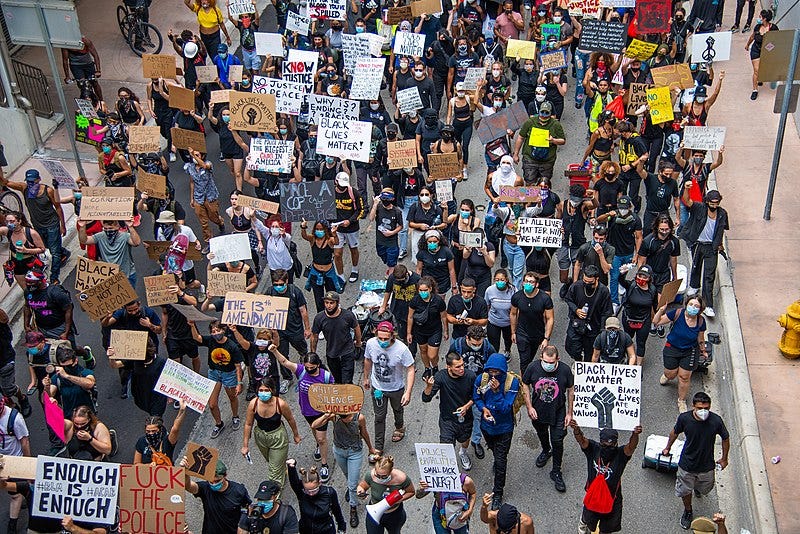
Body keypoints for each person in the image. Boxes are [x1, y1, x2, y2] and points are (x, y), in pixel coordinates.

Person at [663, 392, 730, 529]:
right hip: (687, 465)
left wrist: (724, 459)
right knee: (685, 491)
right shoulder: (684, 419)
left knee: (706, 487)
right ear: (693, 406)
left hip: (707, 466)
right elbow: (674, 433)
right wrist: (667, 448)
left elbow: (725, 438)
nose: (703, 411)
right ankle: (688, 511)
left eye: (706, 408)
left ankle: (698, 488)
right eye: (700, 408)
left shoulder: (716, 421)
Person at [272, 349, 334, 482]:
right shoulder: (301, 371)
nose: (309, 370)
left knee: (322, 438)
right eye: (307, 367)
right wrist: (275, 351)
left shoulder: (326, 377)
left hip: (321, 412)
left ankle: (324, 464)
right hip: (306, 411)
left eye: (312, 368)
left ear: (318, 365)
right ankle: (318, 445)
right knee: (314, 429)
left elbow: (334, 394)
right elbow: (284, 362)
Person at [571, 423, 642, 534]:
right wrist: (576, 429)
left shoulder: (621, 454)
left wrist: (635, 434)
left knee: (607, 529)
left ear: (616, 443)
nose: (608, 448)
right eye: (604, 445)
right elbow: (581, 441)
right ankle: (583, 526)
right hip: (593, 496)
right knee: (588, 520)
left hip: (612, 499)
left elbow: (631, 447)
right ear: (600, 443)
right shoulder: (593, 449)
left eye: (611, 445)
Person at [522, 345, 574, 493]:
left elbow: (571, 390)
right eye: (546, 361)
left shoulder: (564, 370)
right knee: (542, 433)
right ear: (541, 358)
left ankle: (556, 471)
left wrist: (570, 413)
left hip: (558, 411)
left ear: (557, 359)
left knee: (557, 440)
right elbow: (525, 384)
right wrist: (529, 406)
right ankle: (546, 450)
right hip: (538, 411)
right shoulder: (533, 367)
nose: (548, 365)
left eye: (551, 362)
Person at [313, 410, 377, 528]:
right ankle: (351, 488)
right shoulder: (335, 416)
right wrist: (326, 416)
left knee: (352, 483)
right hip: (339, 450)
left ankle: (353, 507)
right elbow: (314, 425)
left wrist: (370, 448)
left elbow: (364, 432)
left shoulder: (359, 418)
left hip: (354, 452)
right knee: (348, 475)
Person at [1, 169, 66, 283]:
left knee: (54, 253)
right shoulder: (24, 188)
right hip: (38, 226)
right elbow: (5, 182)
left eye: (33, 181)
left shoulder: (48, 191)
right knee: (47, 246)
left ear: (39, 180)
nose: (31, 184)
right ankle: (63, 252)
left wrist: (62, 225)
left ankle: (54, 278)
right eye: (29, 181)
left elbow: (58, 207)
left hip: (52, 224)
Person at [473, 353, 520, 510]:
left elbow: (506, 408)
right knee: (494, 450)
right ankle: (495, 456)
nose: (493, 375)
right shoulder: (482, 379)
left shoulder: (511, 383)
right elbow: (477, 397)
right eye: (491, 371)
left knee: (501, 460)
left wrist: (497, 392)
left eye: (497, 372)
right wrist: (483, 408)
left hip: (504, 428)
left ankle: (498, 492)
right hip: (487, 427)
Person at [363, 321, 415, 458]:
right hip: (378, 388)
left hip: (396, 389)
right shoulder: (370, 344)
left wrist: (408, 392)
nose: (382, 341)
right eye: (380, 338)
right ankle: (378, 447)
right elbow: (368, 360)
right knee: (379, 417)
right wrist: (366, 377)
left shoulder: (402, 349)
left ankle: (399, 427)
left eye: (386, 338)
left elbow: (410, 369)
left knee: (398, 409)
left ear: (393, 335)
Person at [242, 378, 302, 489]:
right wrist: (245, 445)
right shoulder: (253, 404)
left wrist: (296, 435)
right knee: (271, 461)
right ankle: (283, 468)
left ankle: (274, 495)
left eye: (266, 390)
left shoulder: (280, 404)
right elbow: (248, 424)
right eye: (261, 390)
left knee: (274, 472)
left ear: (272, 390)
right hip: (261, 437)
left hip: (278, 437)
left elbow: (290, 419)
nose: (263, 393)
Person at [189, 320, 244, 438]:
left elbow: (238, 366)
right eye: (213, 331)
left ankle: (235, 416)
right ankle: (219, 423)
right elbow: (197, 338)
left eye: (217, 330)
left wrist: (239, 382)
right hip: (214, 373)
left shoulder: (232, 346)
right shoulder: (210, 341)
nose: (215, 333)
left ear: (223, 330)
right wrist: (192, 326)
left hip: (229, 374)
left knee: (232, 397)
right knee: (212, 404)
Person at [653, 296, 709, 413]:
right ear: (686, 304)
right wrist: (661, 310)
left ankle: (681, 400)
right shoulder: (677, 313)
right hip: (672, 348)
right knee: (671, 374)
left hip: (690, 350)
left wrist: (703, 351)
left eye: (696, 306)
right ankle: (667, 376)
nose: (693, 307)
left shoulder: (700, 321)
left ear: (700, 309)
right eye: (691, 304)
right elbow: (656, 322)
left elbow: (701, 338)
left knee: (684, 377)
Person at [423, 352, 477, 470]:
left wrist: (467, 406)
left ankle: (463, 453)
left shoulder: (471, 376)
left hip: (465, 418)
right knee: (446, 448)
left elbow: (477, 397)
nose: (462, 368)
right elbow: (426, 398)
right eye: (457, 367)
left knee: (465, 440)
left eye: (462, 365)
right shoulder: (440, 377)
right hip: (447, 419)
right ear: (449, 367)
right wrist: (428, 387)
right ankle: (449, 467)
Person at [680, 189, 729, 318]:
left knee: (709, 275)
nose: (714, 206)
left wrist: (719, 245)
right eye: (712, 203)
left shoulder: (722, 214)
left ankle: (708, 305)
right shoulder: (699, 208)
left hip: (711, 247)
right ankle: (694, 286)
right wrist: (686, 188)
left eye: (716, 203)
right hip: (698, 244)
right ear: (707, 201)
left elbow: (721, 230)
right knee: (695, 266)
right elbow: (687, 200)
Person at [101, 299, 162, 399]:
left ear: (139, 304)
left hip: (148, 347)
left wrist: (150, 325)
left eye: (136, 309)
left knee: (151, 366)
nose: (133, 312)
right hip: (129, 347)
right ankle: (125, 384)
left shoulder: (148, 313)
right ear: (125, 308)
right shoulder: (121, 313)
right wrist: (107, 317)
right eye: (130, 311)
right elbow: (105, 324)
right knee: (124, 368)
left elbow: (159, 330)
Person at [266, 269, 311, 393]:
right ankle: (287, 377)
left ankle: (304, 360)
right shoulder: (269, 293)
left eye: (281, 284)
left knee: (301, 348)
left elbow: (303, 310)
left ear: (286, 281)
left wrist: (307, 328)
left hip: (295, 329)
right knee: (282, 355)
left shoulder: (295, 292)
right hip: (279, 332)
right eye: (276, 285)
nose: (278, 287)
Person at [595, 196, 643, 312]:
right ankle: (614, 301)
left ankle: (622, 284)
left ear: (629, 207)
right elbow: (599, 220)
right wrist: (608, 215)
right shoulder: (613, 215)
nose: (622, 210)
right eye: (621, 208)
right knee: (614, 277)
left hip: (628, 252)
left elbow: (638, 237)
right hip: (614, 253)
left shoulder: (635, 219)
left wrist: (637, 254)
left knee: (622, 273)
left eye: (625, 208)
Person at [182, 457, 251, 534]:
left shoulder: (239, 491)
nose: (214, 484)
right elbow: (189, 487)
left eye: (217, 481)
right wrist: (185, 472)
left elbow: (249, 509)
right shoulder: (205, 488)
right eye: (211, 481)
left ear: (225, 476)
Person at [310, 291, 362, 384]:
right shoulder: (319, 318)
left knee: (347, 381)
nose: (329, 306)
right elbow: (314, 336)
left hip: (347, 352)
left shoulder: (347, 315)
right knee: (338, 380)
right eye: (326, 303)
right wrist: (313, 353)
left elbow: (356, 327)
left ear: (337, 303)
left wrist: (358, 343)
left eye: (331, 303)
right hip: (332, 354)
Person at [106, 339, 168, 416]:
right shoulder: (135, 360)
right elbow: (115, 365)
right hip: (141, 393)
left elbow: (170, 379)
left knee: (155, 417)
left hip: (157, 396)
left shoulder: (161, 362)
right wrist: (111, 357)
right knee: (148, 410)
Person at [564, 265, 613, 363]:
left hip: (594, 326)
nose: (586, 284)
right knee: (571, 347)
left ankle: (584, 368)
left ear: (596, 279)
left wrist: (602, 330)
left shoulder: (603, 291)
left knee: (589, 352)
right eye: (584, 281)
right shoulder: (576, 286)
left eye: (590, 282)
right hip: (577, 323)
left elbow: (606, 312)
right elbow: (568, 299)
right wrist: (576, 310)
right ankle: (578, 360)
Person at [356, 455, 415, 534]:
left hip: (394, 514)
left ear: (391, 471)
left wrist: (399, 500)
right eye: (378, 475)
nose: (380, 478)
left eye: (384, 476)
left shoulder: (401, 478)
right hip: (374, 512)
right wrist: (360, 491)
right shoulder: (370, 475)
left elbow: (411, 492)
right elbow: (362, 486)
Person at [511, 271, 554, 374]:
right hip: (522, 334)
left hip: (537, 334)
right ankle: (524, 384)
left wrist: (546, 338)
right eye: (526, 281)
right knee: (524, 361)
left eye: (531, 282)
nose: (528, 284)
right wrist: (513, 332)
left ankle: (527, 376)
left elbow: (550, 319)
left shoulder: (545, 298)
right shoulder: (517, 297)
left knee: (530, 358)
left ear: (537, 284)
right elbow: (513, 314)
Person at [286, 459, 346, 533]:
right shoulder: (302, 493)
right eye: (307, 491)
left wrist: (341, 526)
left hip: (326, 530)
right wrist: (291, 468)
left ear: (319, 483)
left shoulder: (329, 493)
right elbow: (294, 482)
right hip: (307, 530)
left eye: (314, 490)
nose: (311, 494)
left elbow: (337, 510)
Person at [79, 218, 141, 287]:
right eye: (105, 228)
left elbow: (136, 243)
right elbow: (84, 241)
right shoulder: (100, 236)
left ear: (118, 227)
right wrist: (82, 227)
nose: (108, 231)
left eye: (111, 228)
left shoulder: (125, 236)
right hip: (110, 277)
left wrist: (130, 227)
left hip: (127, 275)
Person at [514, 101, 566, 184]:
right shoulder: (530, 122)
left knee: (544, 184)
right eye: (542, 112)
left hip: (547, 161)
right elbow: (521, 137)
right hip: (530, 159)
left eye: (546, 113)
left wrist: (553, 140)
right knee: (529, 182)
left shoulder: (555, 124)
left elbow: (563, 140)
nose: (544, 115)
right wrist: (516, 154)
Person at [0, 394, 30, 534]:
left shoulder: (15, 419)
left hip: (14, 461)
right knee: (15, 492)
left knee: (15, 495)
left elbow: (24, 442)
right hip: (1, 462)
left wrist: (27, 464)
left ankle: (12, 524)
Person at [617, 264, 658, 365]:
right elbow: (621, 281)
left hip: (644, 321)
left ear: (649, 278)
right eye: (640, 276)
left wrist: (656, 318)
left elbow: (655, 305)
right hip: (628, 319)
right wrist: (623, 273)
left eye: (645, 277)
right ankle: (630, 359)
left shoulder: (652, 290)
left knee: (641, 343)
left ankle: (638, 366)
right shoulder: (631, 285)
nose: (642, 279)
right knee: (628, 340)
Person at [407, 276, 448, 376]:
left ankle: (435, 366)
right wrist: (409, 333)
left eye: (425, 290)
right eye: (420, 290)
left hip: (435, 330)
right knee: (423, 350)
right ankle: (427, 368)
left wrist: (446, 331)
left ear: (430, 289)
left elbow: (443, 316)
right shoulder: (415, 300)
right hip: (420, 330)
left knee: (432, 355)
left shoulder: (438, 301)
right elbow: (410, 317)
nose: (422, 292)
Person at [416, 470, 477, 534]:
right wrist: (422, 488)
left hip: (459, 515)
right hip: (440, 514)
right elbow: (418, 495)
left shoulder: (465, 481)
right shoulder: (434, 479)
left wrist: (469, 511)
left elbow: (473, 493)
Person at [301, 219, 343, 313]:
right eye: (317, 229)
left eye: (321, 229)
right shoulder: (313, 239)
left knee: (331, 296)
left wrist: (335, 233)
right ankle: (321, 316)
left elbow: (336, 242)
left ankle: (334, 313)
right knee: (318, 299)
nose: (319, 231)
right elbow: (304, 236)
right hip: (316, 273)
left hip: (329, 273)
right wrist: (303, 227)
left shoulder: (329, 240)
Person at [379, 264, 420, 356]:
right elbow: (388, 291)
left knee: (412, 335)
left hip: (412, 312)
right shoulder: (392, 278)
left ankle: (412, 354)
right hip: (398, 310)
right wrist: (383, 306)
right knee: (402, 333)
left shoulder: (416, 279)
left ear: (406, 274)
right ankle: (405, 345)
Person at [0, 211, 46, 289]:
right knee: (26, 291)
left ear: (19, 221)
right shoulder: (7, 231)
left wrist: (26, 250)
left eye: (12, 221)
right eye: (7, 221)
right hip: (17, 264)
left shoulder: (31, 233)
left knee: (39, 288)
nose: (9, 224)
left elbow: (42, 249)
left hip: (30, 263)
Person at [333, 171, 364, 284]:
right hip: (337, 229)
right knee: (337, 253)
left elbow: (361, 210)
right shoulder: (330, 193)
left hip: (352, 228)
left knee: (353, 249)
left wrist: (350, 221)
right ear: (336, 182)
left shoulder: (354, 193)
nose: (342, 187)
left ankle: (355, 269)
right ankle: (340, 276)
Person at [370, 188, 404, 275]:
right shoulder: (378, 207)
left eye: (387, 199)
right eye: (383, 198)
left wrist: (392, 233)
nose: (385, 201)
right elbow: (371, 218)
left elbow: (401, 226)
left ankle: (391, 276)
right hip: (380, 240)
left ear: (392, 199)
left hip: (392, 242)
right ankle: (390, 267)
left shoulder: (397, 212)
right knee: (382, 255)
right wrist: (375, 204)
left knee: (392, 261)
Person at [485, 269, 515, 356]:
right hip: (493, 321)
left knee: (508, 340)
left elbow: (516, 309)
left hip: (508, 322)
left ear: (506, 280)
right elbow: (487, 305)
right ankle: (495, 358)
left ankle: (507, 351)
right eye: (497, 280)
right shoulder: (489, 290)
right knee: (494, 344)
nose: (499, 282)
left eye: (502, 280)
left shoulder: (513, 290)